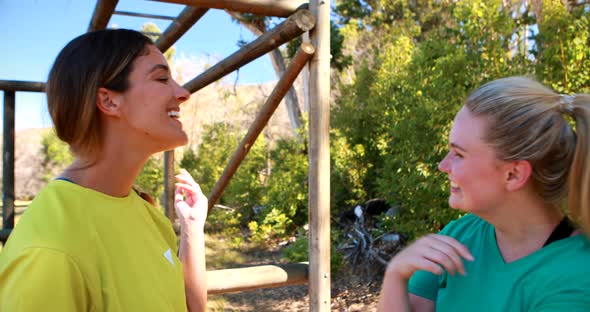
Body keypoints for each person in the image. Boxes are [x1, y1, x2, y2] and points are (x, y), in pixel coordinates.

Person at [0, 29, 207, 311]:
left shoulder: (145, 212)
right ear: (109, 101)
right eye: (161, 78)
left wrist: (192, 230)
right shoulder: (49, 251)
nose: (183, 93)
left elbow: (183, 305)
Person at [378, 76, 590, 311]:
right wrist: (396, 275)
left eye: (458, 154)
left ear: (513, 174)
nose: (443, 165)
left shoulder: (574, 277)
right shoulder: (458, 236)